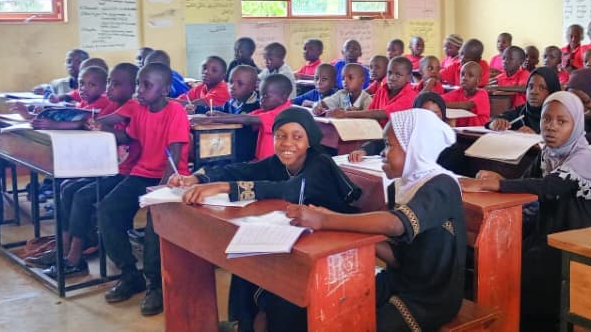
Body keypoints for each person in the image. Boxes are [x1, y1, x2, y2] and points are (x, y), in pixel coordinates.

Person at [173, 108, 362, 331]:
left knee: (271, 279)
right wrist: (198, 177)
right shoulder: (277, 163)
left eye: (297, 136)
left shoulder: (320, 163)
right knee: (244, 259)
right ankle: (243, 324)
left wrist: (224, 188)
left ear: (310, 140)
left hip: (336, 242)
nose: (287, 143)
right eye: (280, 136)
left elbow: (289, 189)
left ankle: (256, 323)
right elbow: (242, 170)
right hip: (303, 236)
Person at [287, 109, 466, 332]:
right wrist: (332, 218)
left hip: (431, 297)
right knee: (330, 301)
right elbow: (398, 258)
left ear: (415, 148)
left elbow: (396, 224)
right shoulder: (399, 187)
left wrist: (326, 220)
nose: (383, 153)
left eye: (389, 145)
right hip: (399, 281)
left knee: (365, 326)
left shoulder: (442, 185)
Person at [460, 91, 591, 330]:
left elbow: (548, 187)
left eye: (561, 122)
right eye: (546, 119)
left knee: (524, 272)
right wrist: (500, 179)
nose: (551, 127)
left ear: (576, 125)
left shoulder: (582, 157)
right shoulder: (549, 153)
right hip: (546, 234)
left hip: (571, 242)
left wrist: (493, 184)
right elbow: (528, 182)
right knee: (504, 259)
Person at [92, 63, 190, 312]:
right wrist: (101, 129)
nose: (140, 90)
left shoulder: (175, 111)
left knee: (153, 225)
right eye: (139, 84)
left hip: (171, 179)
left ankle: (156, 286)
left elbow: (174, 157)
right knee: (107, 210)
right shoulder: (141, 110)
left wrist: (158, 193)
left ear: (165, 89)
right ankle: (129, 273)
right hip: (142, 174)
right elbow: (131, 137)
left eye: (147, 85)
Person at [30, 63, 140, 278]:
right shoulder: (119, 107)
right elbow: (92, 123)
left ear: (133, 87)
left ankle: (74, 258)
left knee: (81, 195)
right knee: (67, 187)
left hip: (127, 172)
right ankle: (63, 250)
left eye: (115, 83)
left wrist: (60, 124)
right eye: (109, 82)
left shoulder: (133, 107)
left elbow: (119, 134)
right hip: (112, 168)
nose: (109, 87)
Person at [347, 92, 465, 173]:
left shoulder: (451, 148)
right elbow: (381, 143)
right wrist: (363, 150)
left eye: (435, 115)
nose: (430, 119)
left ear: (443, 116)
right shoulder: (407, 135)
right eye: (424, 114)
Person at [206, 74, 293, 161]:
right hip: (261, 162)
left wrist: (212, 119)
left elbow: (247, 119)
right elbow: (244, 117)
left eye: (266, 96)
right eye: (261, 95)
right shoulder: (269, 109)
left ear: (283, 97)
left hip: (273, 166)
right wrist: (221, 114)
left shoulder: (283, 114)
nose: (261, 99)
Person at [330, 57, 416, 125]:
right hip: (375, 131)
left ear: (408, 77)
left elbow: (383, 113)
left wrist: (346, 114)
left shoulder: (410, 95)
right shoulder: (383, 90)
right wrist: (355, 111)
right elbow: (371, 110)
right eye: (390, 73)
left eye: (398, 75)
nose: (392, 78)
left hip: (394, 138)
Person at [202, 65, 261, 163]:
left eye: (240, 84)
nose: (232, 87)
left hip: (244, 154)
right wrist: (196, 109)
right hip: (226, 147)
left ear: (253, 87)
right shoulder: (230, 102)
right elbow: (217, 110)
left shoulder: (257, 107)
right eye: (230, 82)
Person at [486, 66, 561, 134]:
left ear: (552, 91)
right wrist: (495, 123)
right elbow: (494, 118)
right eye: (530, 87)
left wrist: (535, 136)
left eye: (542, 88)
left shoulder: (560, 116)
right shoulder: (522, 111)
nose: (534, 92)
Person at [441, 61, 491, 127]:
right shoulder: (458, 92)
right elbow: (440, 98)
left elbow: (468, 105)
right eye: (462, 74)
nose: (464, 78)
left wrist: (442, 104)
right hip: (462, 131)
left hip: (479, 132)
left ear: (478, 80)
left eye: (470, 75)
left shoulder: (482, 93)